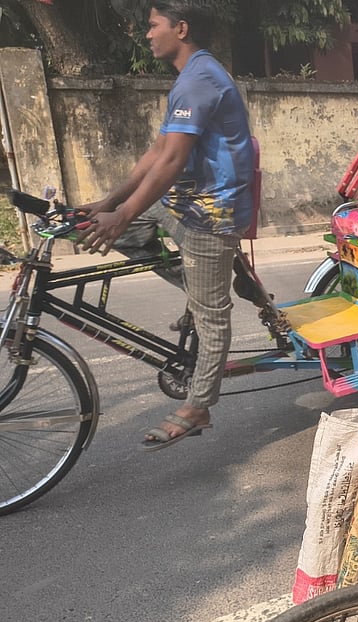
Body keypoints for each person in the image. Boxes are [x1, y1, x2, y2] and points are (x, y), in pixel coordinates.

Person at [79, 1, 255, 450]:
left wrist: (122, 213)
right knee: (119, 227)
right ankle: (200, 283)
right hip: (181, 206)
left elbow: (173, 161)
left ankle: (198, 406)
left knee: (212, 317)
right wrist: (110, 203)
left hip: (212, 215)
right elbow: (157, 154)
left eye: (153, 26)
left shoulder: (200, 80)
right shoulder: (186, 79)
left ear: (181, 28)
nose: (147, 34)